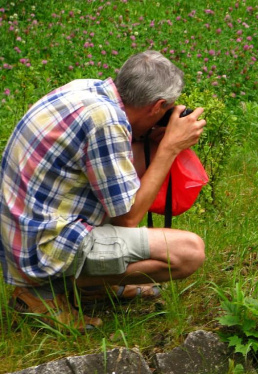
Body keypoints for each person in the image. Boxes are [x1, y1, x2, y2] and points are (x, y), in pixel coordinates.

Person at [0, 50, 206, 332]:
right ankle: (39, 291)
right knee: (189, 252)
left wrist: (151, 139)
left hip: (25, 231)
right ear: (157, 105)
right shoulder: (106, 121)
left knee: (137, 153)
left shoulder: (88, 89)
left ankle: (92, 287)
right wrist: (170, 146)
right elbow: (128, 217)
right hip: (43, 250)